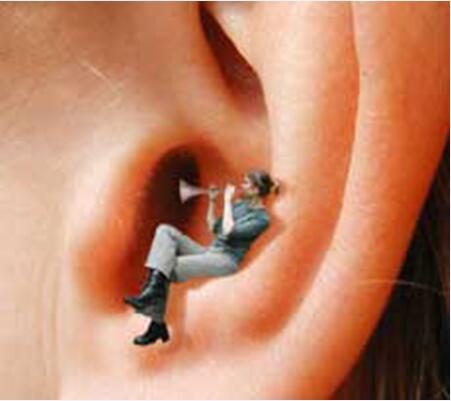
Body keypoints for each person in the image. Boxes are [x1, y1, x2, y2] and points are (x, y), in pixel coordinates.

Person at [124, 169, 279, 345]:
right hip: (211, 251)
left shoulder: (262, 219)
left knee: (168, 264)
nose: (241, 186)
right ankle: (153, 302)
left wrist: (227, 202)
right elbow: (214, 227)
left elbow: (229, 231)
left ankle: (156, 322)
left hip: (226, 260)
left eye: (246, 183)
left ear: (256, 190)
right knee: (165, 231)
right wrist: (212, 202)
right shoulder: (240, 205)